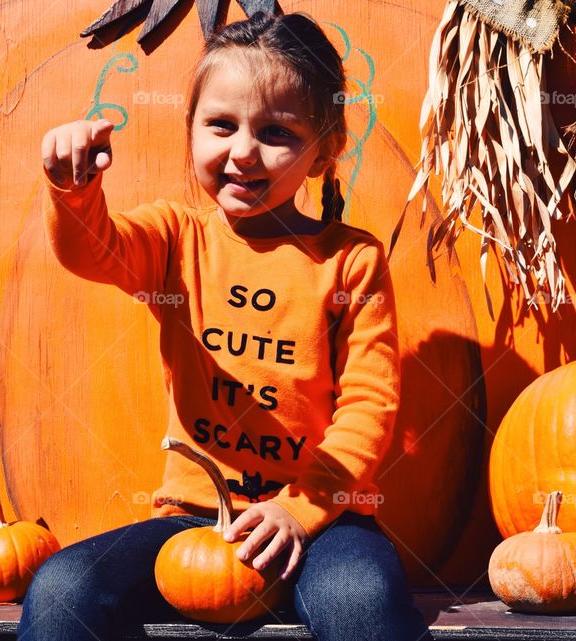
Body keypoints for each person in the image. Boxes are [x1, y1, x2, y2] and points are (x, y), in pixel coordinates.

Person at [24, 11, 431, 641]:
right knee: (61, 587)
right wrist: (74, 192)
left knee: (359, 597)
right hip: (195, 518)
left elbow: (369, 405)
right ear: (190, 132)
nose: (243, 151)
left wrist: (301, 509)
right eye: (221, 125)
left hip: (323, 520)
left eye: (276, 132)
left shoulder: (351, 260)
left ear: (323, 149)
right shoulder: (175, 240)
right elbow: (92, 250)